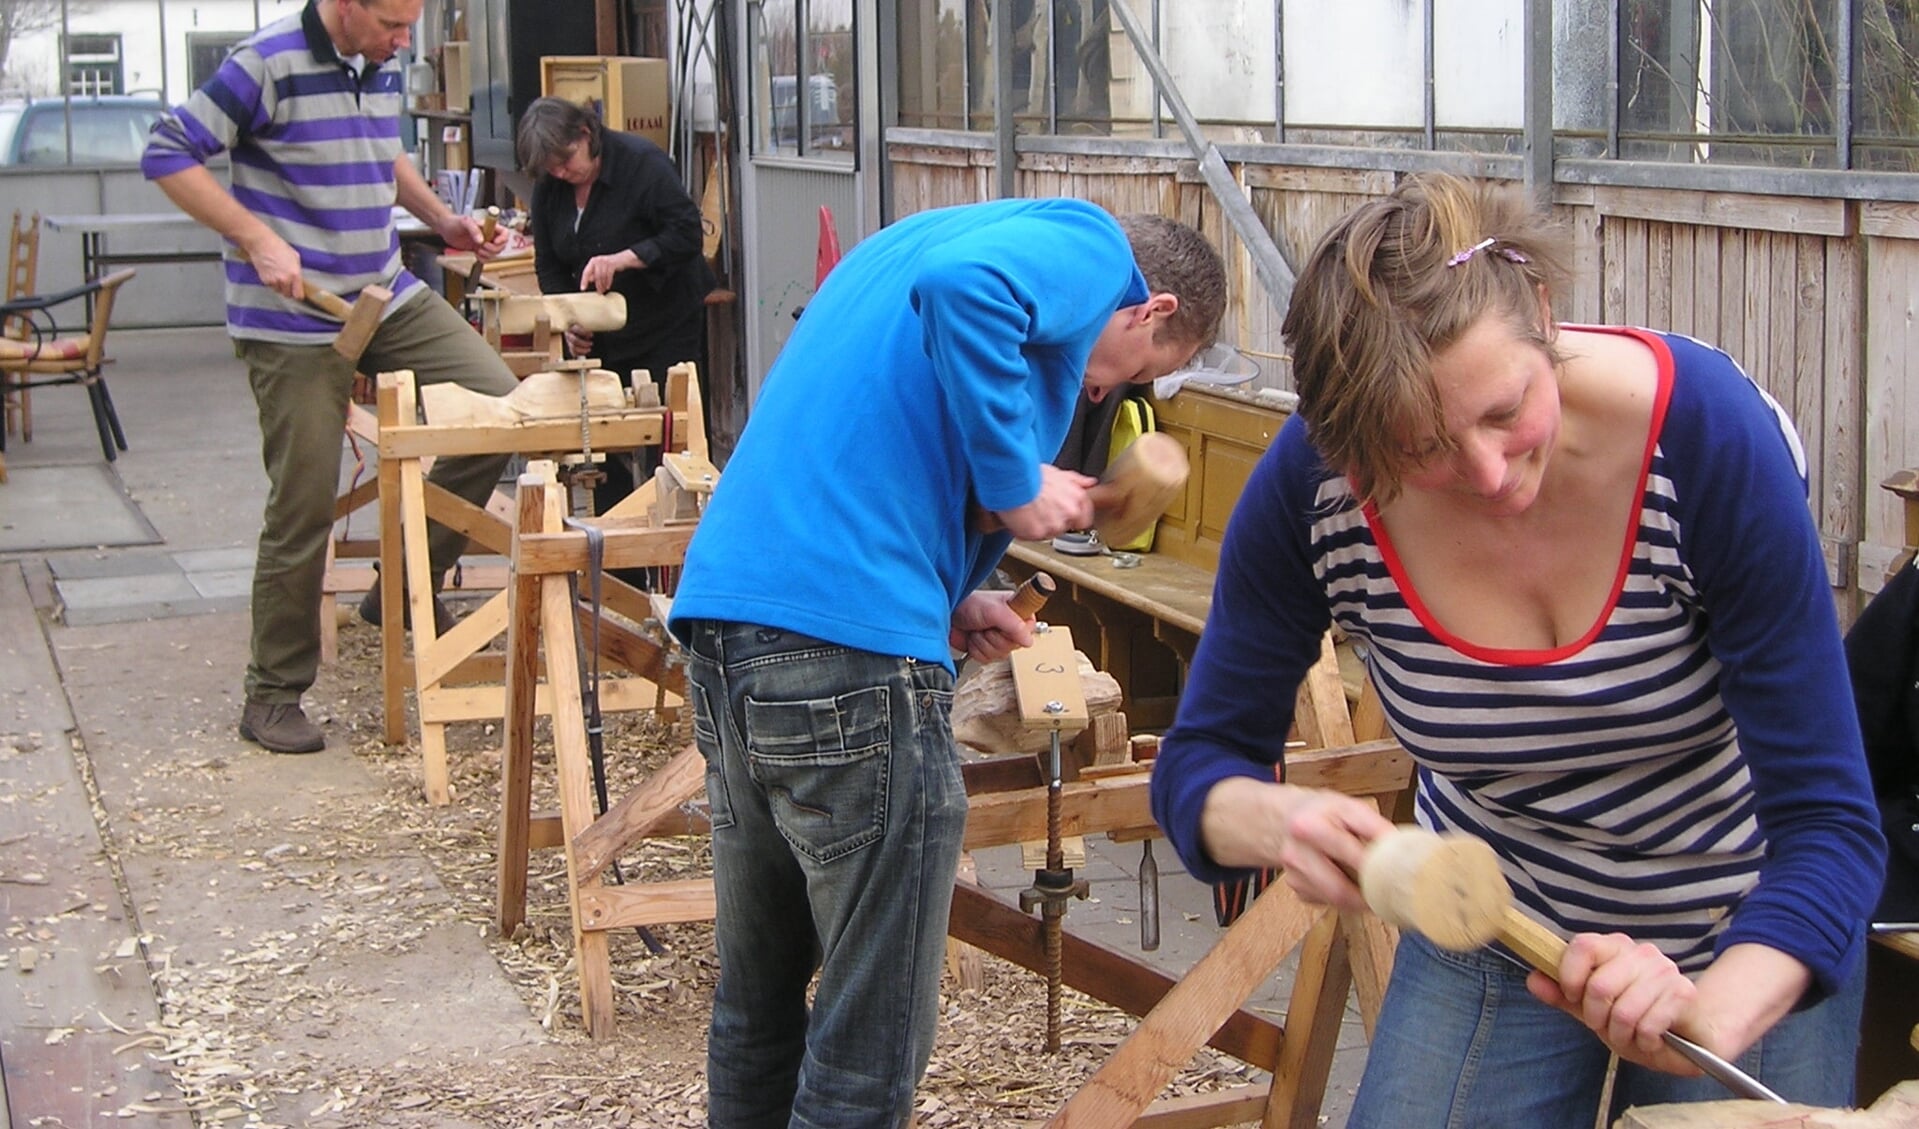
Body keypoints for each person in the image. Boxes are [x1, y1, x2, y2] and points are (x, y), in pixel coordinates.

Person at [1147, 172, 1887, 1126]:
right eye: (1424, 450)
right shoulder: (1313, 490)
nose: (1490, 475)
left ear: (1541, 310)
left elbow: (1831, 828)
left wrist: (1708, 1009)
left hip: (1743, 917)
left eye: (1504, 411)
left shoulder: (1706, 439)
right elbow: (1199, 764)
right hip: (1492, 915)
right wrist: (1271, 819)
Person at [669, 198, 1225, 1127]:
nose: (1106, 396)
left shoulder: (906, 243)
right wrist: (1013, 481)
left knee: (758, 1004)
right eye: (1144, 374)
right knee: (867, 1040)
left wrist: (946, 596)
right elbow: (963, 294)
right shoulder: (1089, 247)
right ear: (1152, 309)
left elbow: (878, 448)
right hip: (847, 661)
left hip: (732, 633)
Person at [141, 0, 516, 754]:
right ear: (344, 5)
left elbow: (382, 152)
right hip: (294, 317)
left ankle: (399, 593)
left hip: (382, 291)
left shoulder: (375, 62)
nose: (406, 41)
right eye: (393, 25)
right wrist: (255, 238)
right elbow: (166, 153)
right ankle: (272, 694)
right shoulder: (266, 61)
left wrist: (441, 220)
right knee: (304, 501)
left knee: (501, 406)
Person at [517, 96, 714, 522]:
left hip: (664, 323)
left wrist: (626, 257)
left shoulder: (642, 164)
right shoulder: (552, 185)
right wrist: (568, 318)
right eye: (551, 168)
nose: (561, 173)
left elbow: (686, 235)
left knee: (668, 443)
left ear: (586, 135)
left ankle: (678, 551)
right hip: (601, 337)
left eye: (566, 162)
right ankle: (612, 565)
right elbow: (549, 264)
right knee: (603, 450)